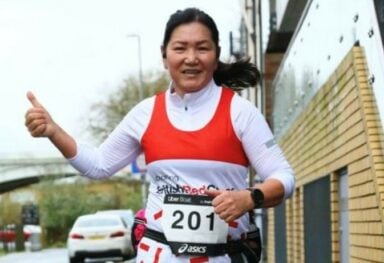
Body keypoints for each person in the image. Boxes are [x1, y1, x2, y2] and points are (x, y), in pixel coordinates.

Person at [25, 7, 295, 263]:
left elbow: (284, 178)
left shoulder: (241, 112)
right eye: (180, 48)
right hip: (158, 253)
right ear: (164, 56)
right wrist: (53, 131)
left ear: (216, 55)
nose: (191, 58)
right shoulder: (145, 113)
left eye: (202, 48)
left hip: (221, 255)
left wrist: (250, 198)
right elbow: (98, 165)